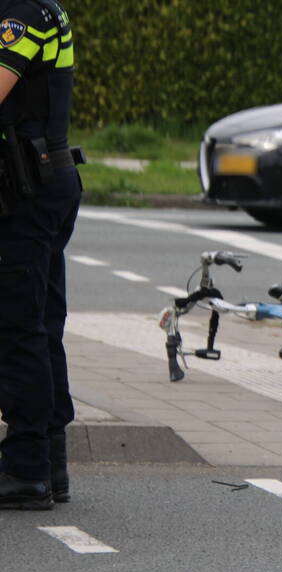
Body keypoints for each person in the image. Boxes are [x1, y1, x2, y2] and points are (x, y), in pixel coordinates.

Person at [0, 0, 81, 510]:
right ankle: (51, 462)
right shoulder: (42, 8)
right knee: (41, 324)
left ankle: (26, 470)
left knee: (17, 328)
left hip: (26, 190)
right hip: (44, 182)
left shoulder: (20, 16)